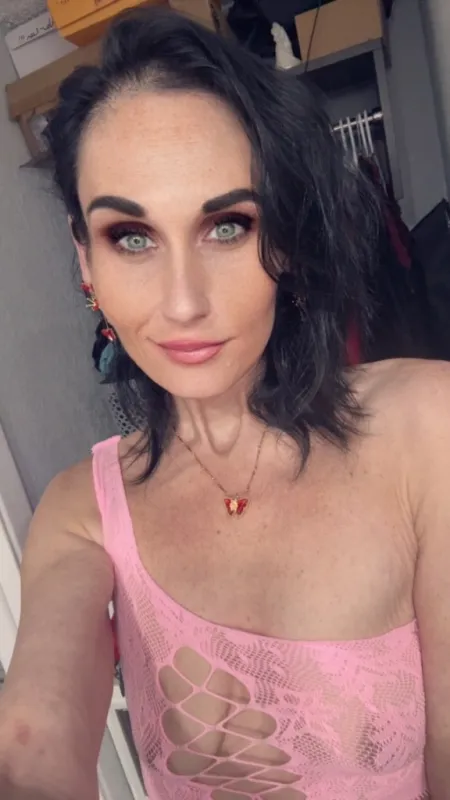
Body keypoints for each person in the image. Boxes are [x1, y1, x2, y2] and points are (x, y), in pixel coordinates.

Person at [0, 8, 448, 800]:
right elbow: (32, 741)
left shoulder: (426, 426)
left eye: (227, 226)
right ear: (86, 257)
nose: (183, 303)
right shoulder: (81, 513)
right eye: (132, 237)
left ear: (286, 240)